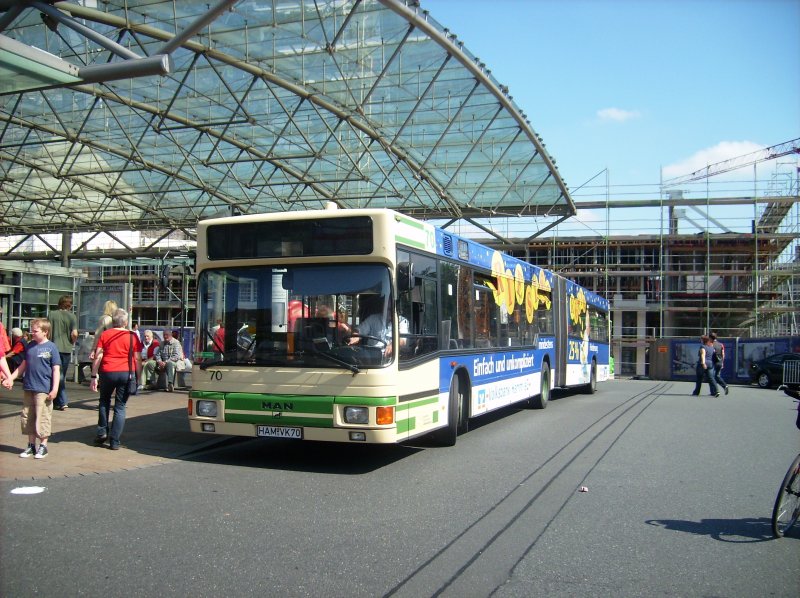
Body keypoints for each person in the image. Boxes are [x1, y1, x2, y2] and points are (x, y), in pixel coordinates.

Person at [2, 318, 61, 460]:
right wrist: (10, 378)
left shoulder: (51, 347)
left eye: (35, 331)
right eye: (31, 330)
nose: (32, 333)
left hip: (43, 388)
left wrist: (55, 389)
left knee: (43, 416)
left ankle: (43, 445)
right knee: (28, 416)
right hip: (29, 386)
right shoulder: (29, 346)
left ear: (45, 332)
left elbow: (56, 370)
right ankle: (31, 445)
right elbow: (23, 366)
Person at [89, 309, 142, 450]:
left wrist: (94, 375)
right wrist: (139, 377)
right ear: (125, 322)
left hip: (107, 372)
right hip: (126, 373)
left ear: (113, 321)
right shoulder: (132, 336)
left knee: (104, 401)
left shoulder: (105, 334)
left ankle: (102, 432)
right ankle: (115, 441)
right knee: (120, 406)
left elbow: (98, 356)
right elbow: (137, 359)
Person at [48, 294, 79, 411]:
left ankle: (58, 400)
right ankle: (62, 401)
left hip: (53, 347)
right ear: (70, 305)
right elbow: (74, 334)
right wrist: (72, 342)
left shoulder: (52, 314)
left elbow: (48, 331)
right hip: (66, 349)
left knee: (55, 374)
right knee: (61, 375)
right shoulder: (72, 317)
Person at [709, 331, 729, 395]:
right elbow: (723, 354)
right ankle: (724, 385)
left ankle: (714, 391)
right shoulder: (721, 344)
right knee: (717, 376)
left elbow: (710, 353)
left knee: (711, 377)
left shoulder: (711, 345)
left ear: (710, 338)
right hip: (720, 362)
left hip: (713, 362)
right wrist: (722, 362)